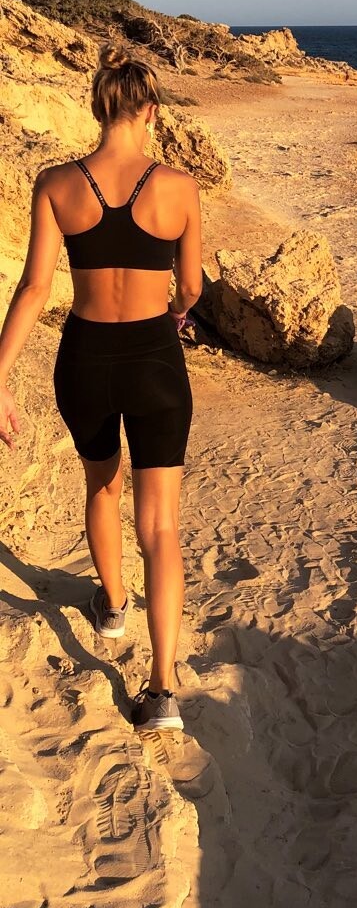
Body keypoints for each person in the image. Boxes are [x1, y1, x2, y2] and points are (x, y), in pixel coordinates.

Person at [0, 45, 202, 731]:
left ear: (97, 108)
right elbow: (191, 286)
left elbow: (34, 288)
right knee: (162, 525)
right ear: (151, 112)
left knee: (102, 485)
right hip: (154, 358)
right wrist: (177, 311)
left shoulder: (56, 183)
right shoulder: (179, 187)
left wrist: (0, 376)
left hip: (85, 358)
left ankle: (112, 607)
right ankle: (162, 689)